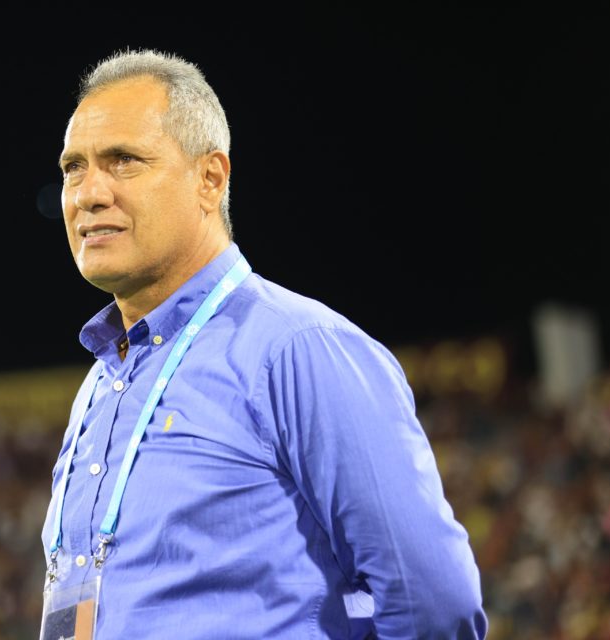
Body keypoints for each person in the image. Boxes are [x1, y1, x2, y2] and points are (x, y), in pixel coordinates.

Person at [40, 47, 488, 639]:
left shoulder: (299, 350)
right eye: (74, 167)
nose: (88, 193)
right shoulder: (102, 383)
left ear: (210, 179)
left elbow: (433, 602)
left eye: (123, 161)